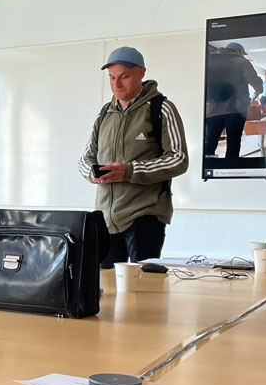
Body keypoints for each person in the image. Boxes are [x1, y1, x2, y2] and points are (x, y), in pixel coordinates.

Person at [78, 46, 188, 268]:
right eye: (112, 78)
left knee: (145, 288)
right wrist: (92, 173)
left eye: (124, 77)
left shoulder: (162, 108)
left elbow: (178, 158)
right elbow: (85, 159)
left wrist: (129, 171)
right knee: (106, 289)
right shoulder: (104, 114)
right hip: (106, 220)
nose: (117, 84)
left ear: (141, 73)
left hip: (145, 216)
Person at [204, 42, 262, 160]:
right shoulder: (242, 61)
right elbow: (255, 82)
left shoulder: (208, 60)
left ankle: (210, 166)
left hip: (211, 110)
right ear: (240, 51)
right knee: (233, 143)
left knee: (209, 143)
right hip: (235, 109)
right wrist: (259, 87)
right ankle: (229, 168)